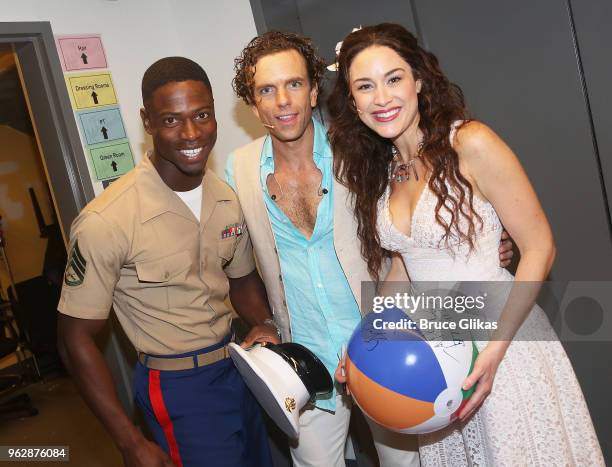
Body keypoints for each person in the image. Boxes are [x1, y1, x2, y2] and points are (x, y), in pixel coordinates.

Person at [226, 32, 513, 466]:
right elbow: (237, 261)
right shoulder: (239, 168)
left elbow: (422, 211)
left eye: (294, 84)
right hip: (305, 358)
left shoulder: (359, 149)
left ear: (314, 89)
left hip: (387, 347)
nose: (283, 100)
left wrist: (482, 243)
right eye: (267, 89)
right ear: (253, 103)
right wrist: (262, 320)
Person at [328, 23, 604, 466]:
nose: (382, 98)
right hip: (437, 358)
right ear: (353, 101)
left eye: (394, 79)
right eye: (365, 86)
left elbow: (540, 247)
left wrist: (495, 350)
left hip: (504, 346)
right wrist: (365, 345)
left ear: (418, 81)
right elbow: (403, 273)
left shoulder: (469, 143)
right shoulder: (383, 173)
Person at [57, 57, 278, 467]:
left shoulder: (227, 197)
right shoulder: (107, 220)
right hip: (178, 387)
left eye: (202, 115)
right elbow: (74, 338)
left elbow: (243, 282)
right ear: (148, 122)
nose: (192, 133)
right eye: (172, 120)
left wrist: (265, 322)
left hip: (239, 367)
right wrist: (129, 441)